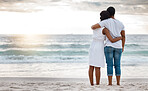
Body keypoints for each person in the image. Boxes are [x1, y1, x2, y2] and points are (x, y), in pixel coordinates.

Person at [91, 6, 125, 85]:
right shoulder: (121, 23)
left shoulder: (106, 21)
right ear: (114, 13)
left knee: (109, 65)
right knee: (118, 65)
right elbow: (123, 36)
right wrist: (123, 46)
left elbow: (94, 27)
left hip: (109, 45)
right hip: (118, 46)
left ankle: (110, 83)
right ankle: (118, 83)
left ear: (108, 13)